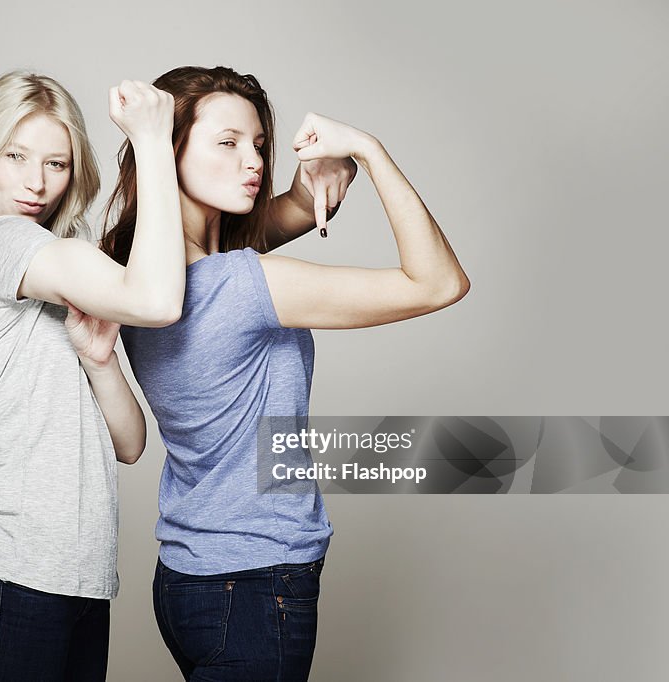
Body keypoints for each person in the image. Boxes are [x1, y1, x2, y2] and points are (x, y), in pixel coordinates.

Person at [101, 65, 470, 681]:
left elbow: (283, 216)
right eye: (227, 143)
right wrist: (370, 152)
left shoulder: (134, 273)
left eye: (259, 146)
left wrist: (313, 188)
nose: (252, 162)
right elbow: (439, 283)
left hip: (188, 577)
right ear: (167, 152)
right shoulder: (243, 284)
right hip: (254, 580)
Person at [0, 71, 184, 681]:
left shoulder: (56, 277)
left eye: (56, 162)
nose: (36, 181)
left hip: (78, 584)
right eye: (15, 156)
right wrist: (153, 142)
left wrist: (99, 361)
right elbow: (156, 300)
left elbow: (130, 445)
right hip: (10, 582)